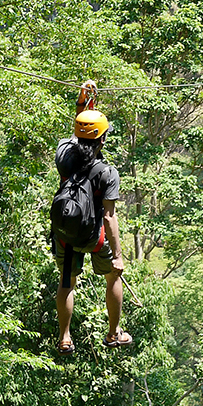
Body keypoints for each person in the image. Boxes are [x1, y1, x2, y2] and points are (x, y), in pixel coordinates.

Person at [51, 81, 131, 354]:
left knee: (66, 282)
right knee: (113, 278)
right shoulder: (107, 173)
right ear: (103, 139)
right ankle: (112, 333)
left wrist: (83, 100)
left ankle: (64, 336)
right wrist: (118, 255)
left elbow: (77, 135)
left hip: (66, 236)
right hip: (95, 238)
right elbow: (108, 218)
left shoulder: (64, 157)